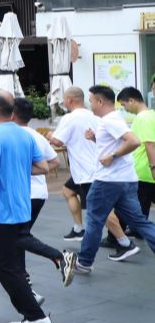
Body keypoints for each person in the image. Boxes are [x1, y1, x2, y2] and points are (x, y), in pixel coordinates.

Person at [0, 90, 55, 323]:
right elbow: (43, 167)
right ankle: (32, 307)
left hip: (3, 210)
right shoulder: (25, 135)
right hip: (21, 206)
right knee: (12, 257)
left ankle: (34, 314)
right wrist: (16, 167)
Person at [75, 85, 155, 274]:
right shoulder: (114, 119)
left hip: (108, 181)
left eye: (92, 100)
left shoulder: (109, 120)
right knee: (139, 221)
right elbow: (118, 143)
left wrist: (113, 155)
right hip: (125, 179)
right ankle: (95, 257)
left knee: (94, 220)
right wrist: (97, 140)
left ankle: (84, 262)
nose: (90, 104)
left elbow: (133, 141)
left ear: (100, 101)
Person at [12, 97, 77, 299]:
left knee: (18, 237)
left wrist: (21, 171)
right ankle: (23, 276)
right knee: (19, 237)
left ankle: (59, 257)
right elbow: (54, 162)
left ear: (12, 114)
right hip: (38, 194)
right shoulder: (35, 135)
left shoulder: (12, 135)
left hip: (23, 195)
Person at [48, 87, 129, 248]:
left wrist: (50, 136)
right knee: (67, 190)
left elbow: (58, 141)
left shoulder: (69, 118)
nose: (63, 102)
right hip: (95, 166)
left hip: (87, 170)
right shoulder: (97, 116)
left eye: (64, 99)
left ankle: (124, 241)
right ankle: (79, 229)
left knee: (102, 209)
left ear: (70, 100)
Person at [118, 87, 155, 217]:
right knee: (140, 208)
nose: (125, 109)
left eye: (124, 105)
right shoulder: (151, 114)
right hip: (145, 171)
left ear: (132, 100)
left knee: (138, 209)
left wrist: (153, 167)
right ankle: (138, 230)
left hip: (144, 171)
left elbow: (150, 144)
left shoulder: (143, 118)